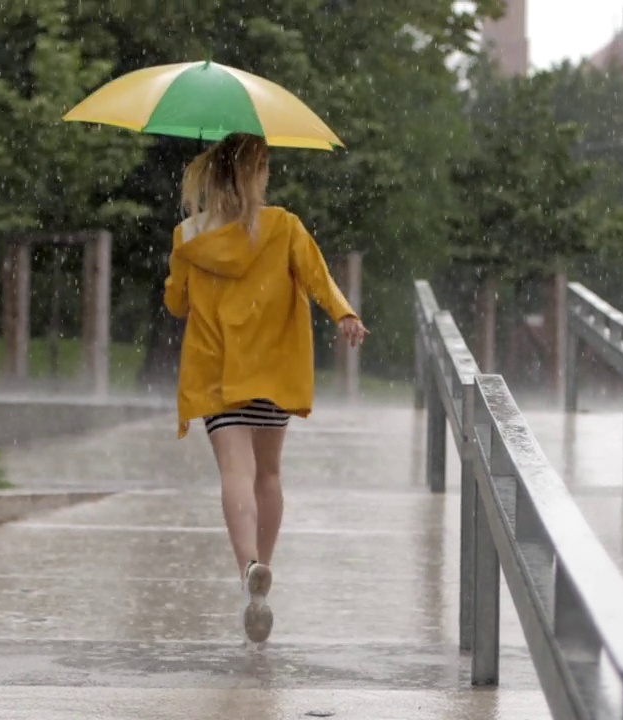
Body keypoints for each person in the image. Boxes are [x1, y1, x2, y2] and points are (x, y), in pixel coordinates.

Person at [162, 132, 369, 645]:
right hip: (273, 371)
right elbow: (319, 278)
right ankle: (265, 570)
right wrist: (343, 312)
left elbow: (175, 305)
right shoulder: (284, 227)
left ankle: (248, 569)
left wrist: (183, 270)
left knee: (236, 473)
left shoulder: (188, 235)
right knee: (268, 475)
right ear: (256, 175)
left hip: (219, 373)